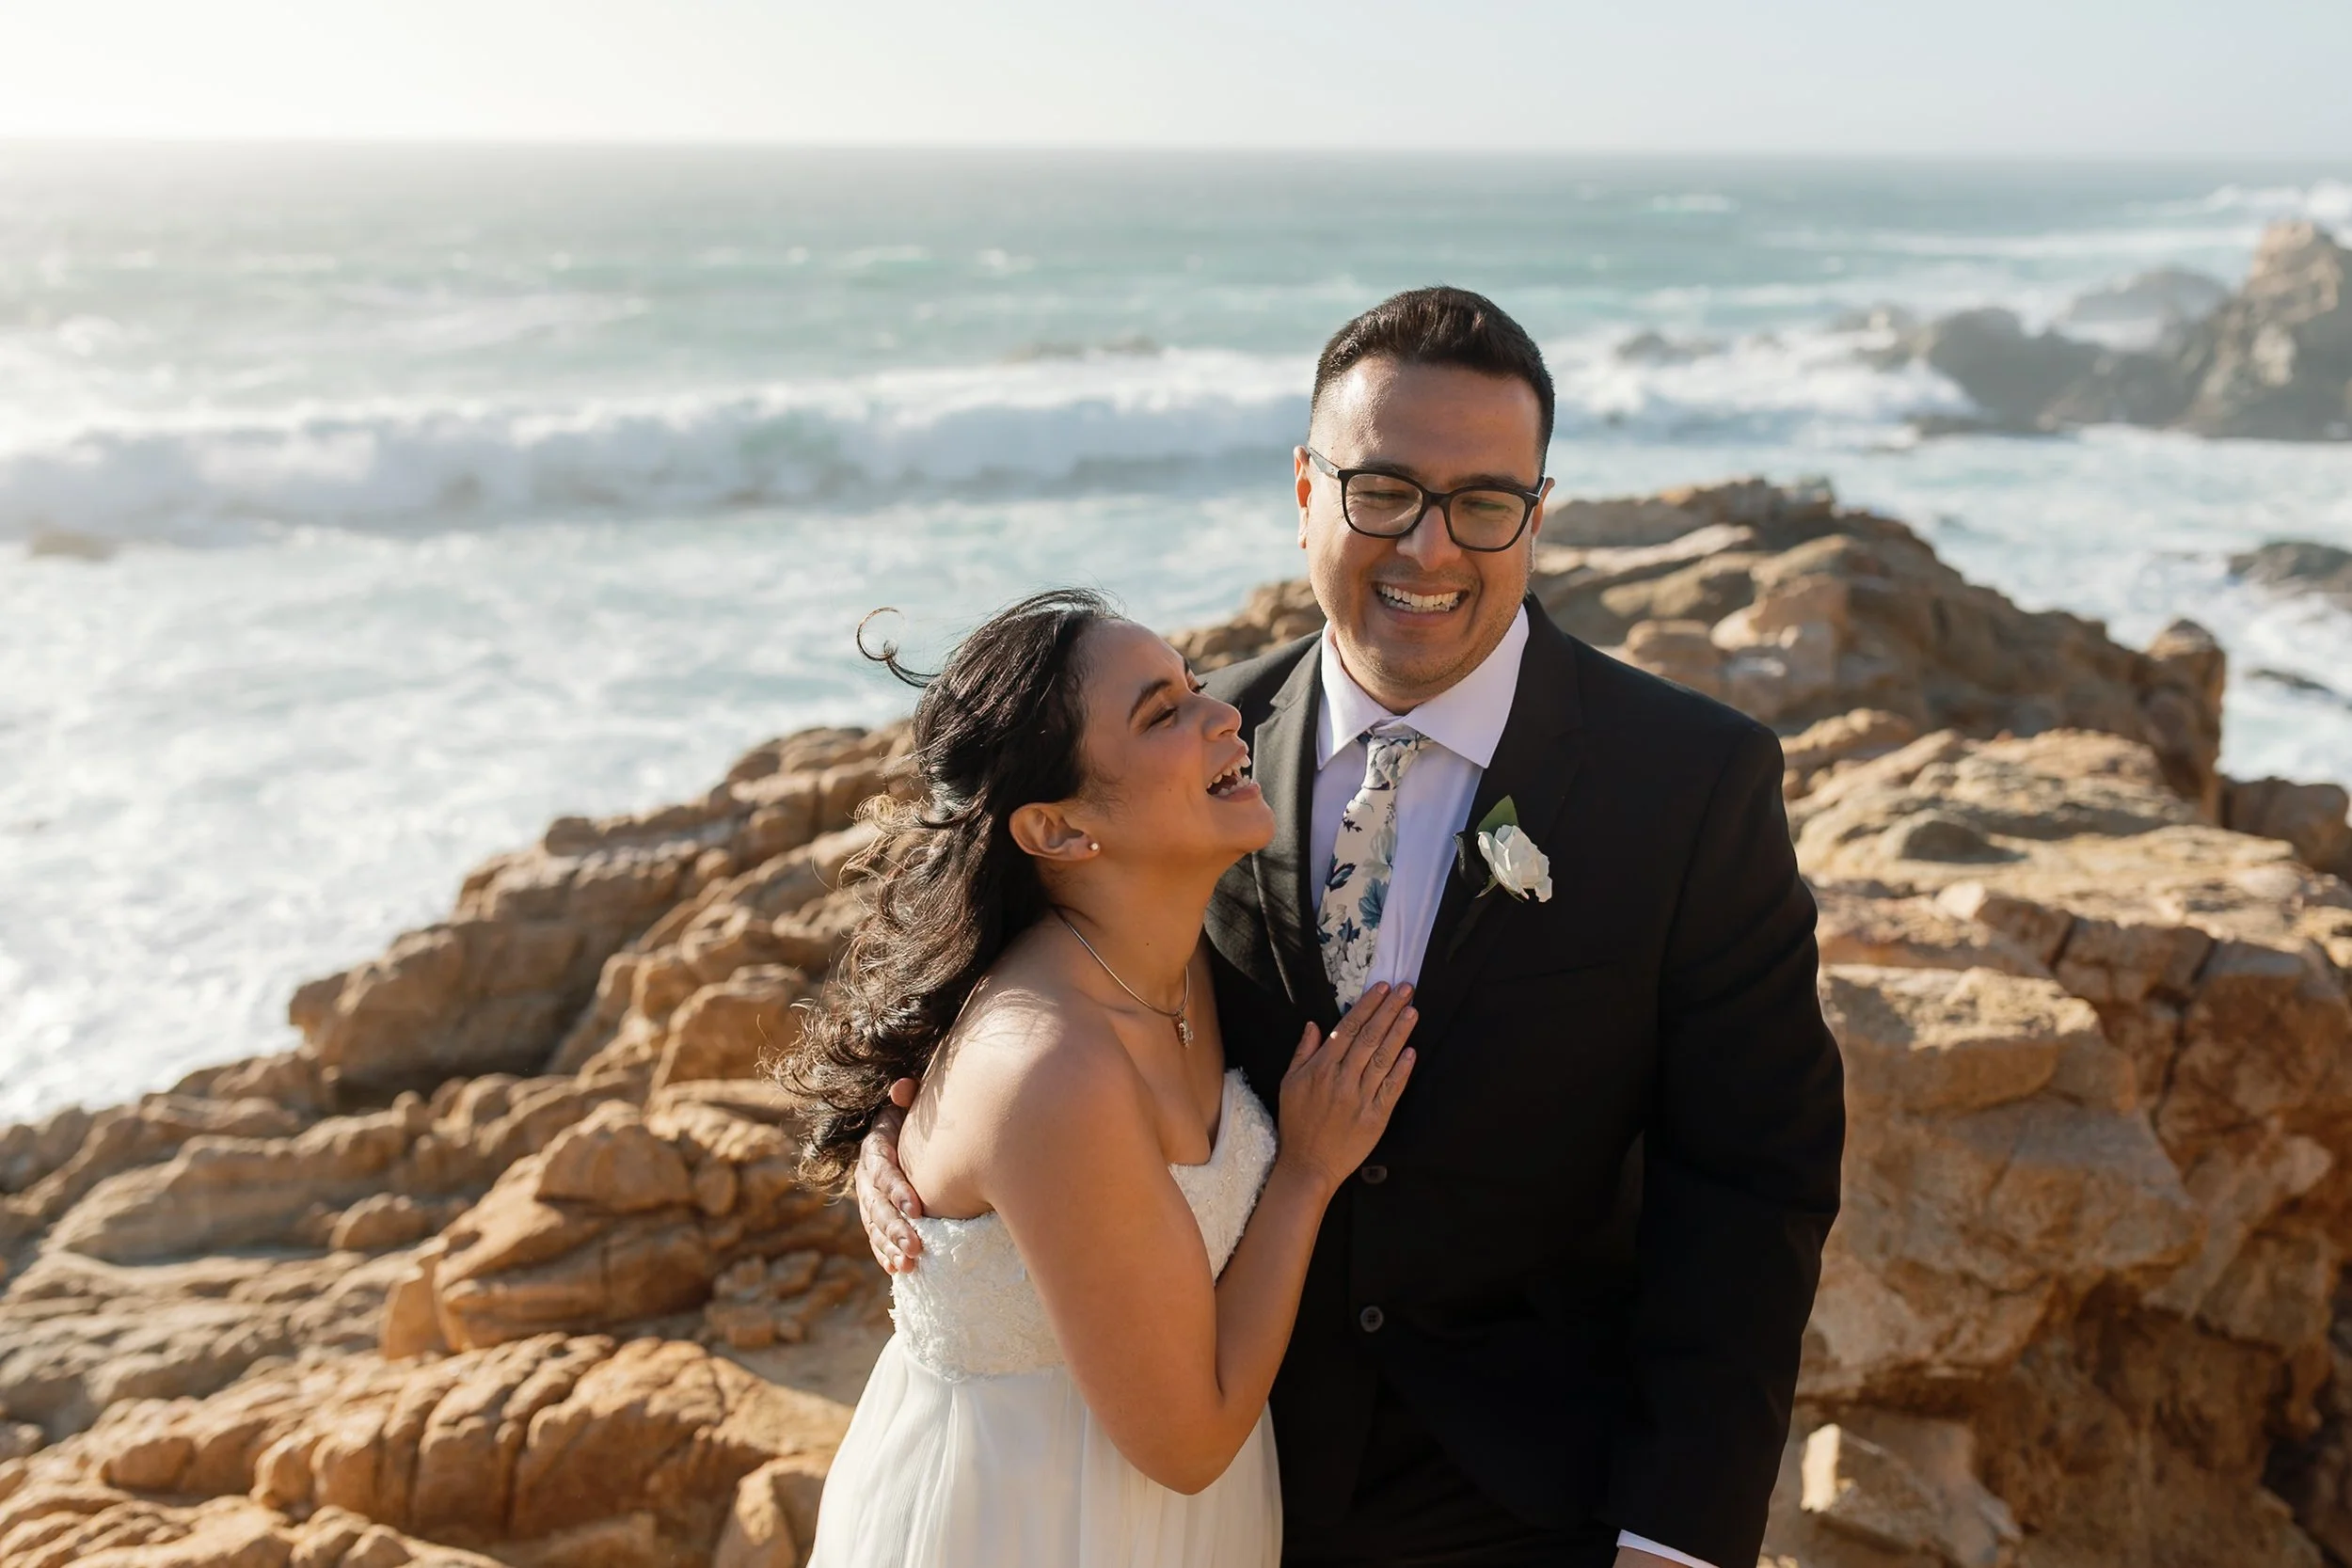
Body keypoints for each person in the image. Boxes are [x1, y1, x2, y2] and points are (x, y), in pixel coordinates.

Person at [855, 288, 1847, 1567]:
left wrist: (1676, 1538)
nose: (1430, 549)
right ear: (1307, 489)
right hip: (1219, 1485)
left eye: (1484, 502)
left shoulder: (1690, 782)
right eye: (1382, 489)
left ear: (1537, 514)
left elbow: (1752, 1184)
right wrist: (901, 1148)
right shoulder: (1188, 767)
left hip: (1536, 1501)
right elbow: (1006, 997)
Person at [787, 587, 1423, 1567]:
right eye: (1162, 712)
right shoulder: (1052, 1065)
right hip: (1028, 1522)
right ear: (1057, 831)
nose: (1226, 715)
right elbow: (1186, 1442)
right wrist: (1304, 1171)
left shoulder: (1178, 955)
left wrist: (887, 1121)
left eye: (1194, 687)